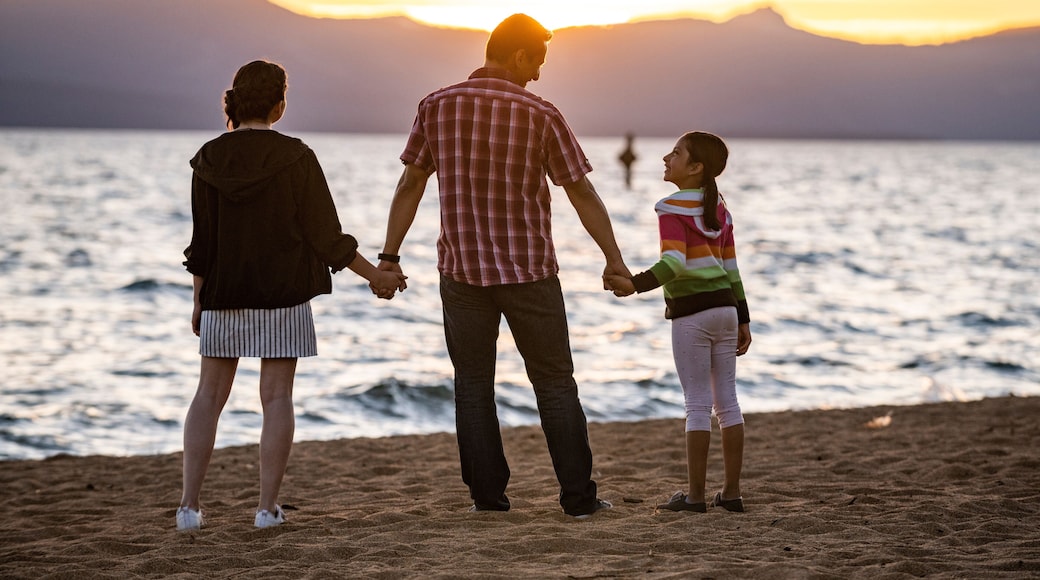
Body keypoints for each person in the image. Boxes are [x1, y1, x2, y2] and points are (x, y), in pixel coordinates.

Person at [374, 14, 629, 518]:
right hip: (530, 271)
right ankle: (579, 499)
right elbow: (580, 191)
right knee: (554, 382)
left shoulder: (436, 106)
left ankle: (488, 500)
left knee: (472, 385)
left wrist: (389, 256)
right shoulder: (541, 113)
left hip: (462, 271)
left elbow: (411, 185)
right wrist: (614, 260)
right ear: (518, 56)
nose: (537, 74)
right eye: (536, 62)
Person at [177, 60, 406, 531]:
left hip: (224, 294)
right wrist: (374, 276)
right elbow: (327, 237)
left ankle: (188, 508)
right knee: (276, 397)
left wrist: (199, 299)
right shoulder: (297, 157)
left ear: (235, 102)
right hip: (283, 297)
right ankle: (265, 510)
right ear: (279, 105)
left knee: (208, 395)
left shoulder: (208, 158)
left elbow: (203, 243)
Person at [606, 131, 752, 513]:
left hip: (694, 314)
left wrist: (634, 285)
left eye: (675, 153)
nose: (665, 159)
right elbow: (732, 268)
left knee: (697, 405)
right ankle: (732, 494)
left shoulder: (670, 208)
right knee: (728, 404)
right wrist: (744, 319)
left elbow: (674, 265)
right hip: (725, 310)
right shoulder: (719, 207)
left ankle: (696, 497)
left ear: (696, 167)